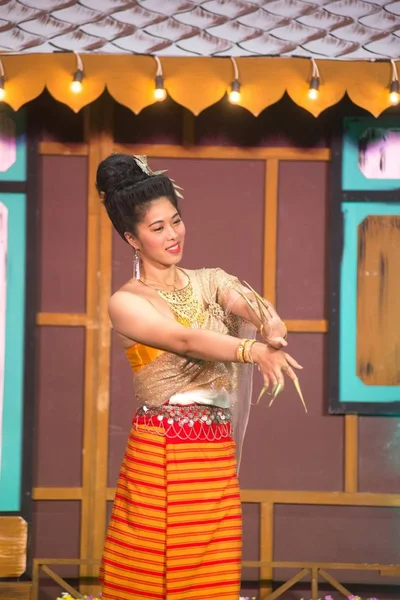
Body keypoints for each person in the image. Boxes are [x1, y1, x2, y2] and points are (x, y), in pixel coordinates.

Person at [97, 154, 303, 600]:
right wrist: (251, 350)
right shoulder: (127, 302)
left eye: (176, 221)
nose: (172, 235)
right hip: (161, 449)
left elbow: (251, 303)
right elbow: (185, 341)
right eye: (157, 228)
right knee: (148, 569)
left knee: (211, 574)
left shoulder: (210, 280)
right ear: (132, 238)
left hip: (213, 450)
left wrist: (272, 327)